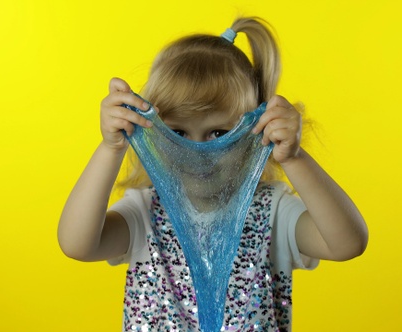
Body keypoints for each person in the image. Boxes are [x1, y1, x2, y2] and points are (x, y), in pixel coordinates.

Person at [58, 16, 368, 332]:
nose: (198, 154)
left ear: (253, 130)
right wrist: (111, 149)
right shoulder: (145, 212)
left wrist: (294, 158)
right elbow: (76, 244)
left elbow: (347, 244)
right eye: (178, 131)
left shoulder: (270, 211)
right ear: (154, 135)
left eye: (218, 133)